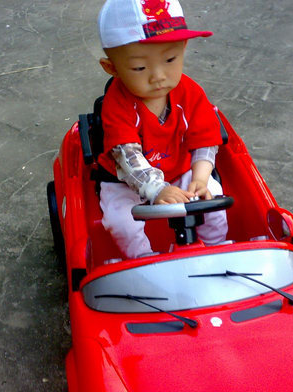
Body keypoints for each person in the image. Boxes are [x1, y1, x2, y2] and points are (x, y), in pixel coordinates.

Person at [97, 0, 228, 258]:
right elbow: (128, 158)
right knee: (120, 221)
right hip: (126, 181)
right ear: (112, 68)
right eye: (139, 67)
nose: (158, 75)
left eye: (170, 59)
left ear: (183, 48)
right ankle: (145, 262)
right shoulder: (117, 104)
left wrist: (200, 179)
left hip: (180, 170)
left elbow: (205, 141)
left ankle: (216, 251)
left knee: (213, 200)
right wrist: (157, 190)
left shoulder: (190, 92)